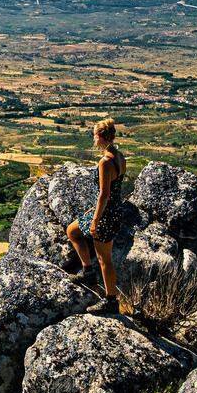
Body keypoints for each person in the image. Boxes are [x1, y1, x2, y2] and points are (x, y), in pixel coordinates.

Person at [64, 118, 126, 314]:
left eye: (94, 135)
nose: (93, 139)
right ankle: (87, 271)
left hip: (105, 215)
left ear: (100, 137)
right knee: (72, 231)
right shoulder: (120, 156)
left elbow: (104, 194)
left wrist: (95, 219)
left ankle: (110, 301)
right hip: (114, 210)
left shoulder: (105, 162)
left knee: (104, 259)